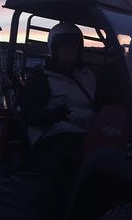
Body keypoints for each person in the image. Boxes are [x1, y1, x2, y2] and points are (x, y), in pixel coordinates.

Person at [16, 23, 98, 156]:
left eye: (73, 45)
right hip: (52, 137)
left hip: (88, 133)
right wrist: (51, 115)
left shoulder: (89, 75)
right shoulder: (42, 78)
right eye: (64, 45)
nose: (69, 50)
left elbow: (103, 103)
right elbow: (27, 114)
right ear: (54, 48)